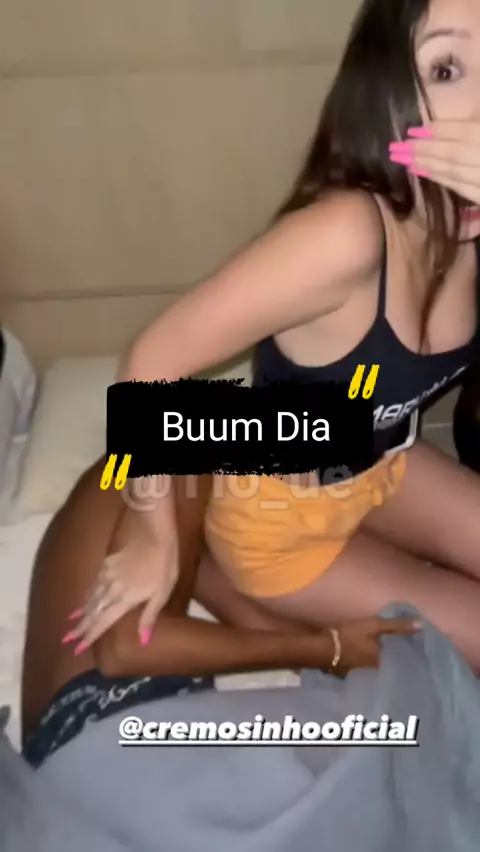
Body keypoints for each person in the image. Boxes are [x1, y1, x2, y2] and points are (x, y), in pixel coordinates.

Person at [69, 0, 480, 671]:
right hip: (279, 523)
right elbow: (149, 362)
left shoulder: (471, 225)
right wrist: (152, 531)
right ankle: (220, 568)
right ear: (389, 101)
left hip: (382, 459)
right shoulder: (346, 237)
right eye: (448, 68)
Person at [21, 460, 418, 768]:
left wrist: (337, 656)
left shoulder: (189, 520)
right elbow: (126, 649)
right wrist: (326, 649)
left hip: (118, 740)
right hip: (100, 735)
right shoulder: (166, 470)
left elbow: (236, 609)